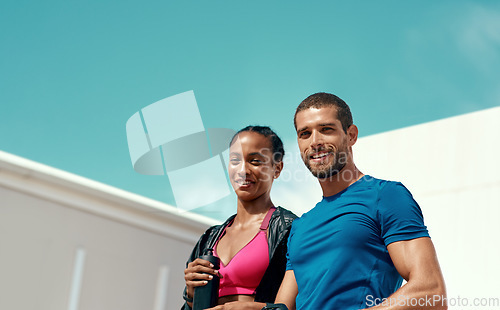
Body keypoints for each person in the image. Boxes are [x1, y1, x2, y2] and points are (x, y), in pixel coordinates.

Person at [275, 93, 447, 310]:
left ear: (351, 135)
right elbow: (282, 307)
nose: (315, 141)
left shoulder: (386, 196)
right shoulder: (300, 227)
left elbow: (430, 292)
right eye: (305, 134)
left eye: (326, 129)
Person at [182, 126, 297, 310]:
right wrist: (190, 295)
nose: (243, 170)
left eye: (255, 161)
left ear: (277, 168)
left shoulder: (290, 230)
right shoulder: (210, 238)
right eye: (235, 160)